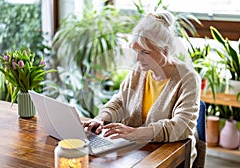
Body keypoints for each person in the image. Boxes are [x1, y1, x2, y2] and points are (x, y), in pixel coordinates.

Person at [83, 11, 201, 167]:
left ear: (165, 51)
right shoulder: (139, 70)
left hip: (169, 155)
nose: (138, 58)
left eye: (145, 52)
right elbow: (120, 101)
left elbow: (182, 126)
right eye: (136, 51)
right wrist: (101, 118)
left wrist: (136, 133)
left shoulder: (188, 79)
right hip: (133, 150)